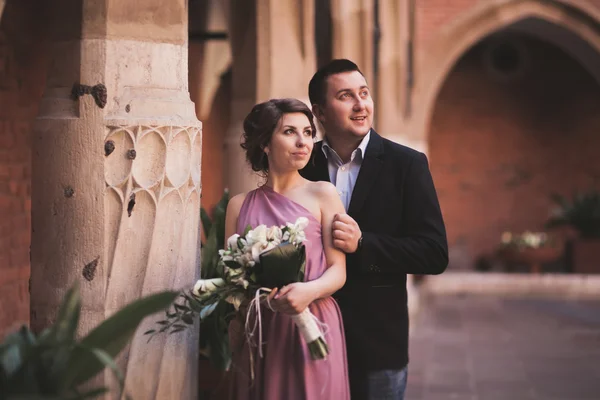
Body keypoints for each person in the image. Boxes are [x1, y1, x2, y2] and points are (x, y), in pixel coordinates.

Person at [300, 59, 448, 399]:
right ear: (320, 112)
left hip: (378, 343)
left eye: (364, 94)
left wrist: (364, 243)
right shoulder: (304, 166)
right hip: (310, 334)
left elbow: (434, 253)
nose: (360, 104)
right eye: (346, 96)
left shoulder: (406, 164)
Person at [224, 98, 351, 399]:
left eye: (308, 132)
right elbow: (233, 284)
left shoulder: (324, 194)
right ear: (265, 143)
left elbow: (338, 271)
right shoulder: (237, 206)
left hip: (314, 321)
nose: (303, 141)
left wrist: (308, 292)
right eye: (290, 132)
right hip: (260, 329)